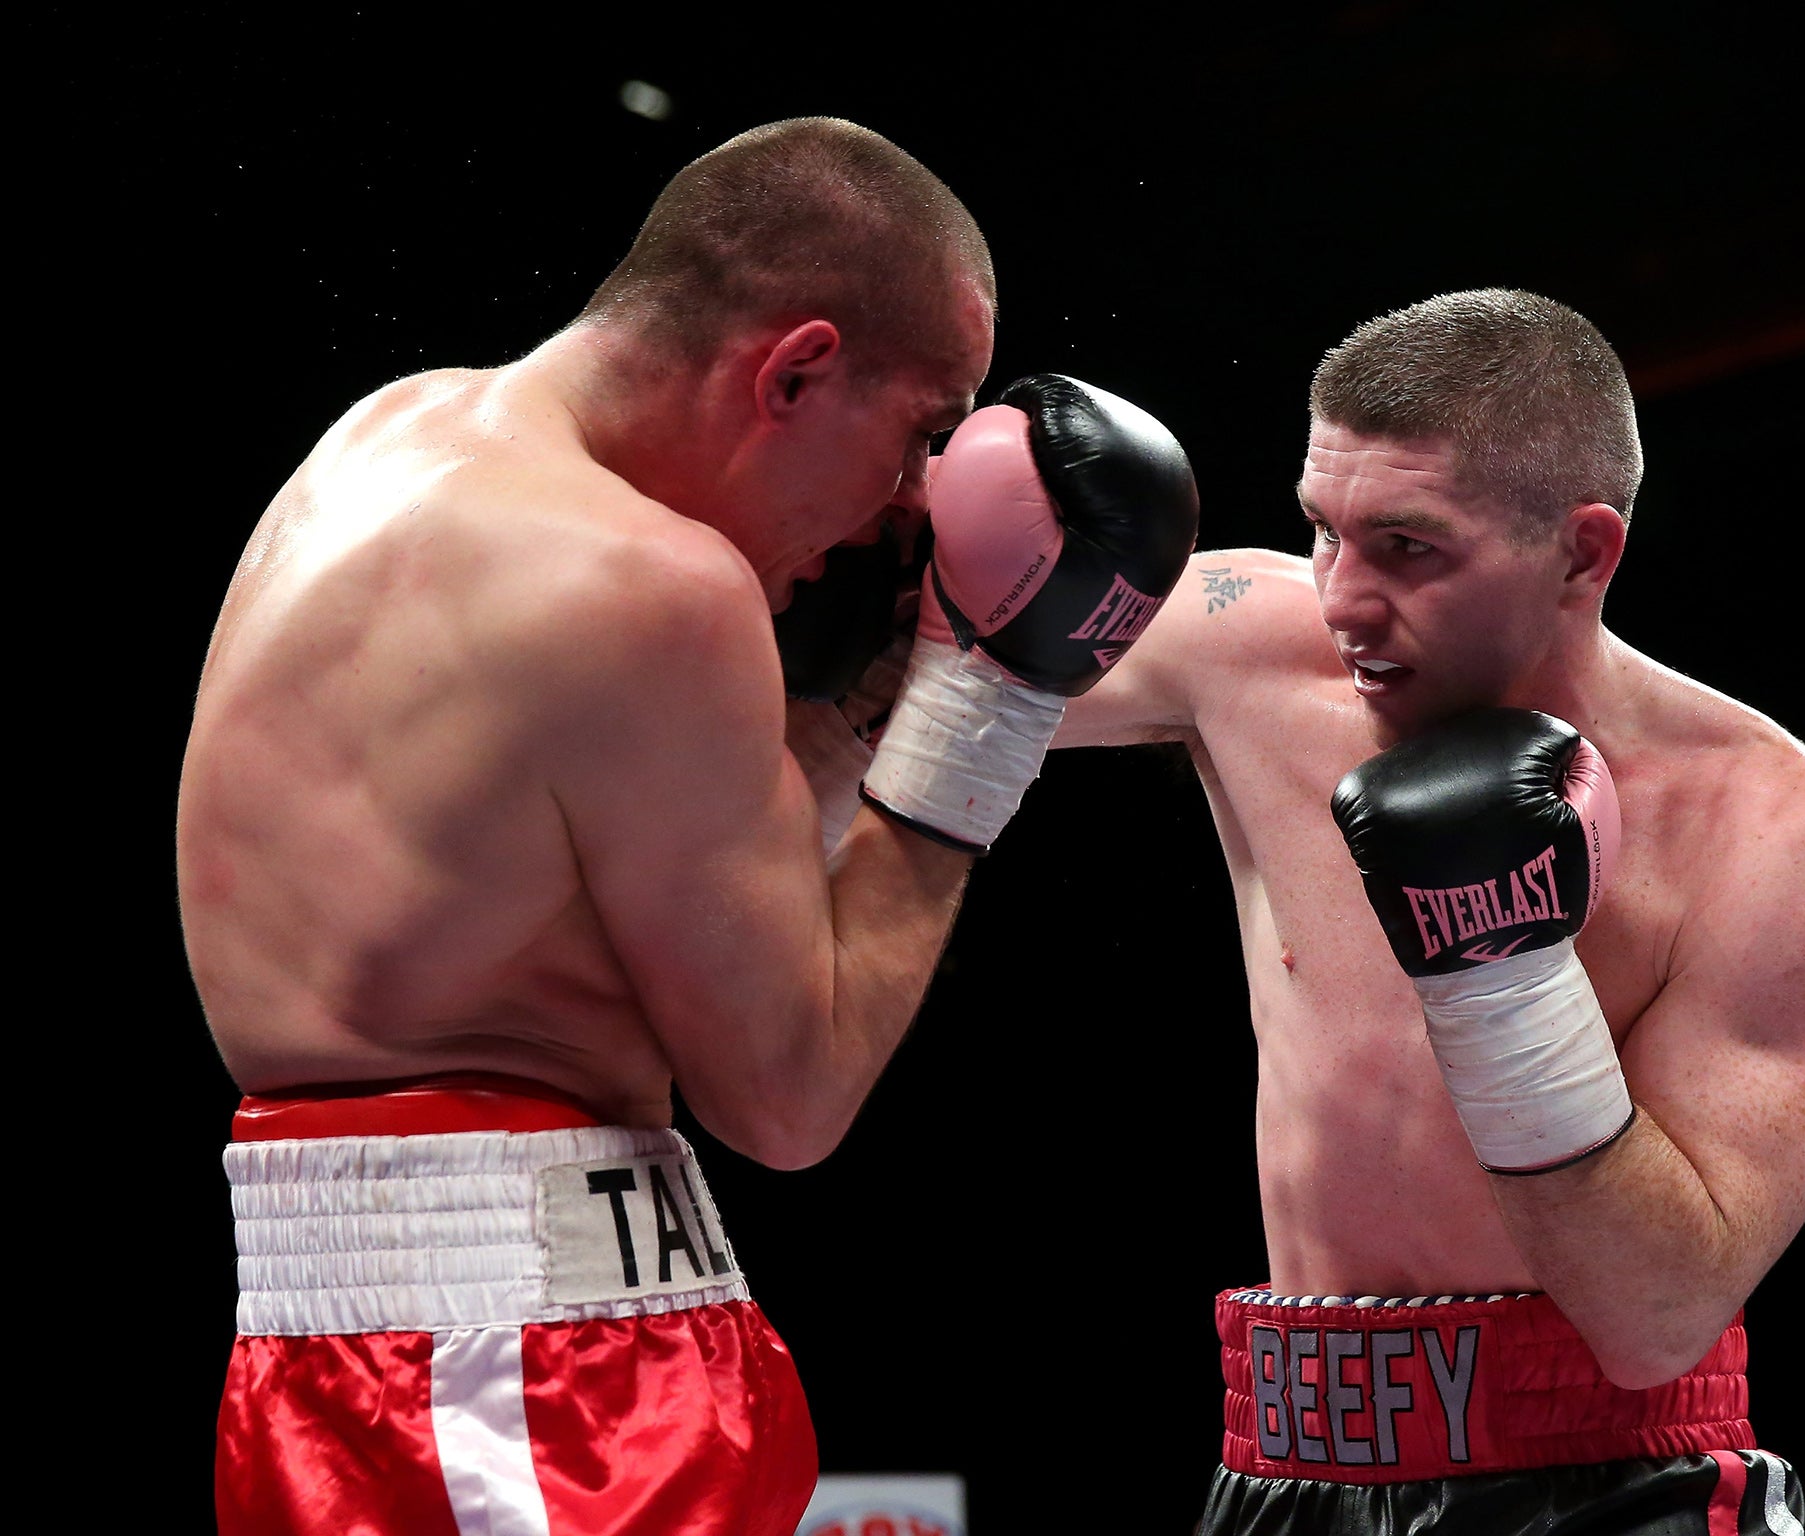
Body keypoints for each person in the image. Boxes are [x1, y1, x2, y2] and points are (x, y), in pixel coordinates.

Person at [176, 116, 1198, 1534]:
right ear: (796, 370)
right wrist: (987, 710)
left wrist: (869, 710)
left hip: (376, 1367)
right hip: (529, 1387)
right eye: (921, 432)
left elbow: (629, 847)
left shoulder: (389, 437)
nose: (911, 503)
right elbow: (787, 1100)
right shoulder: (654, 588)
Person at [1049, 288, 1805, 1532]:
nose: (1339, 599)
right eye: (1322, 531)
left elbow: (1655, 1315)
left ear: (1582, 554)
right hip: (1283, 1461)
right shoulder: (1246, 649)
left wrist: (1500, 979)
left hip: (1615, 1484)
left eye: (1406, 547)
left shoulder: (1776, 827)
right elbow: (870, 682)